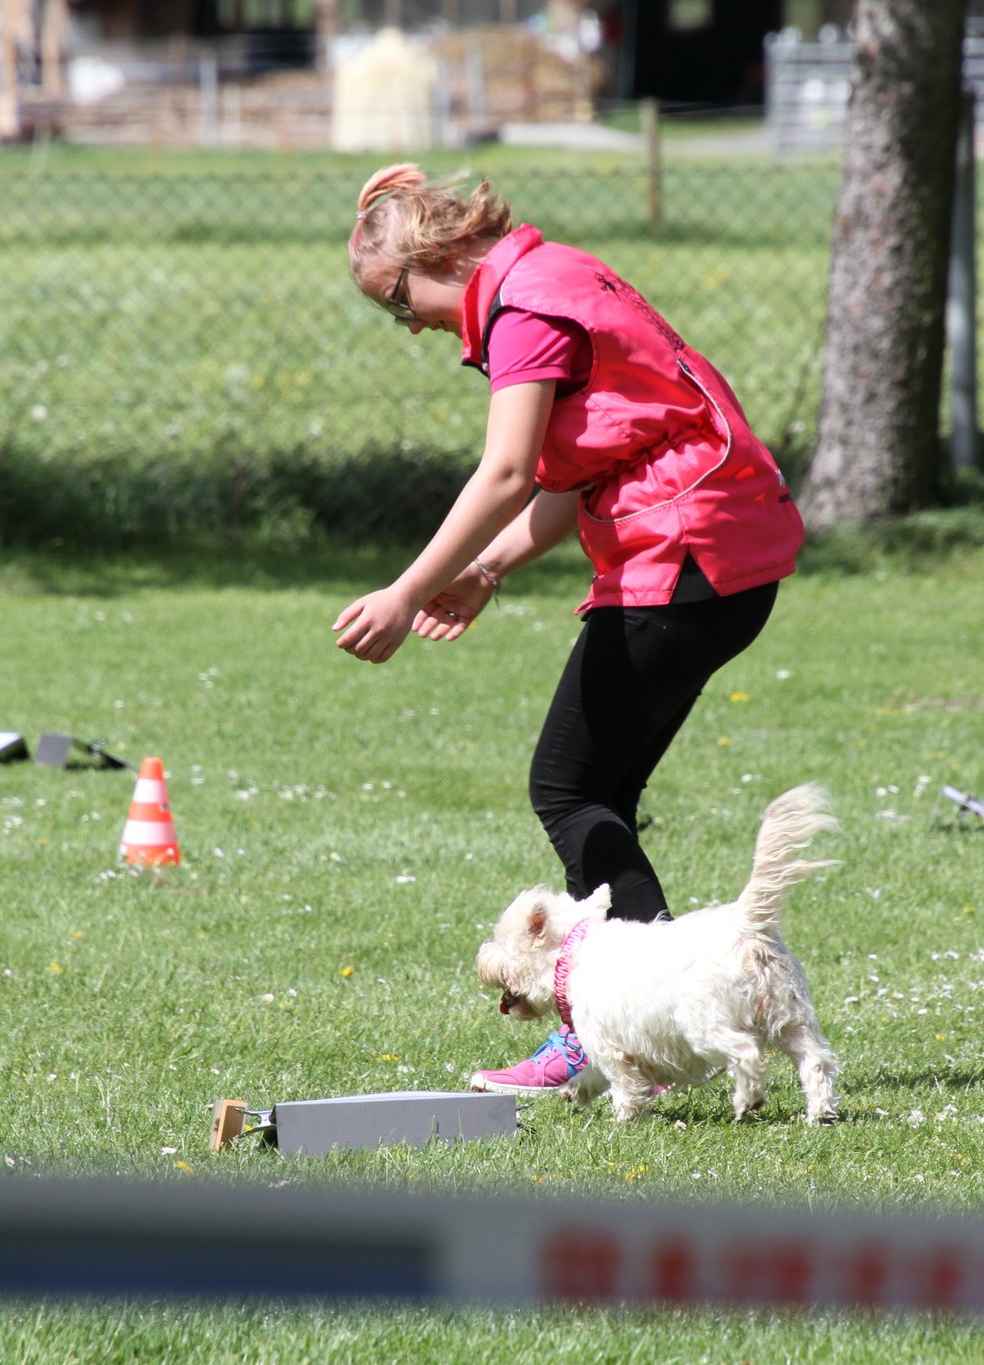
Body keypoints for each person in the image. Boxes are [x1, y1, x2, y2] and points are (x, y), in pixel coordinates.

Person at [333, 164, 804, 1096]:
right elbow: (573, 474)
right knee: (602, 796)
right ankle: (629, 1034)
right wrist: (484, 571)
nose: (410, 325)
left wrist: (404, 590)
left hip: (687, 557)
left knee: (568, 787)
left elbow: (507, 473)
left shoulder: (524, 310)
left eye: (399, 301)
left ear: (436, 256)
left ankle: (634, 1028)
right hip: (725, 555)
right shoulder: (554, 276)